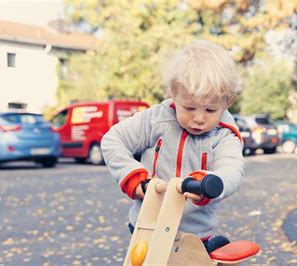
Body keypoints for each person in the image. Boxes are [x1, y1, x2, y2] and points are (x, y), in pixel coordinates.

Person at [101, 39, 244, 253]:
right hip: (148, 224)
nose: (198, 118)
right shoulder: (157, 120)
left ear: (228, 102)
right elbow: (113, 140)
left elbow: (232, 169)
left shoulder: (223, 134)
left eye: (210, 110)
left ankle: (211, 252)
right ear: (173, 93)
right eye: (189, 107)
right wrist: (132, 176)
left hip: (194, 235)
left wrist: (208, 183)